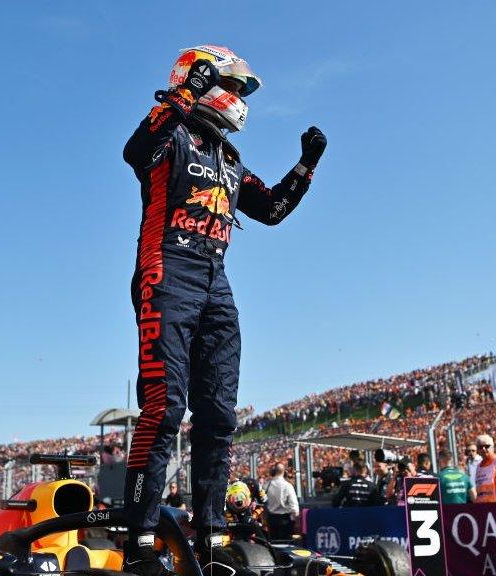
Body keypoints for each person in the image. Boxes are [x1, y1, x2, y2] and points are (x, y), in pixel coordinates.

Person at [121, 45, 325, 576]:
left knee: (219, 414)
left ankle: (211, 530)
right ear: (201, 80)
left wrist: (306, 165)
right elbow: (134, 150)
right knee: (165, 407)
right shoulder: (171, 134)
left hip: (217, 285)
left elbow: (273, 210)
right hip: (167, 272)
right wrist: (186, 93)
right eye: (231, 87)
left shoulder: (232, 161)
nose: (238, 100)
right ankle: (139, 534)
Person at [263, 463, 299, 541]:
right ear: (284, 472)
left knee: (273, 544)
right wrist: (296, 521)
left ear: (273, 471)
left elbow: (262, 502)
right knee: (286, 544)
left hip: (271, 520)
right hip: (286, 520)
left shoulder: (266, 486)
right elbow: (294, 507)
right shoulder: (288, 486)